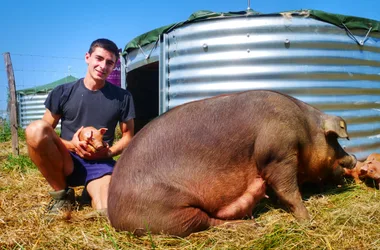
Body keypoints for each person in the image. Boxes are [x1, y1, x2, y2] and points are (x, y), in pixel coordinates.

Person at [25, 38, 135, 215]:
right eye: (98, 58)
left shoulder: (123, 97)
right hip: (66, 159)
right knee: (35, 130)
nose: (103, 66)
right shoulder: (63, 92)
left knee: (107, 210)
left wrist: (108, 152)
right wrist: (72, 146)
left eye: (109, 62)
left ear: (114, 66)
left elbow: (128, 136)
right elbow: (45, 132)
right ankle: (62, 195)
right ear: (87, 57)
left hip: (100, 162)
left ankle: (91, 191)